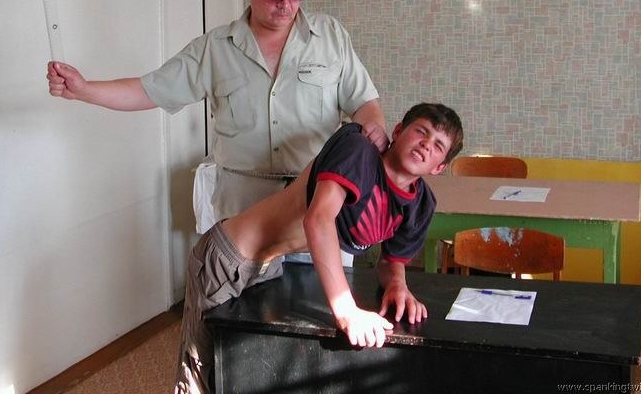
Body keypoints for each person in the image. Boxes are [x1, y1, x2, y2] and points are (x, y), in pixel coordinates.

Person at [47, 0, 388, 227]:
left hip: (318, 198)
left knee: (323, 285)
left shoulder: (329, 35)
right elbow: (148, 90)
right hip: (244, 204)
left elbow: (363, 102)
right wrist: (85, 90)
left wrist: (373, 127)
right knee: (246, 286)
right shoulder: (215, 48)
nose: (286, 6)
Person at [176, 102, 464, 393]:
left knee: (240, 372)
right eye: (421, 132)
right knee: (203, 376)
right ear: (399, 131)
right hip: (228, 256)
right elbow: (318, 219)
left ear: (439, 167)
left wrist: (397, 285)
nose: (426, 144)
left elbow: (392, 261)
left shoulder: (419, 204)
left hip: (269, 267)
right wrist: (347, 311)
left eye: (438, 145)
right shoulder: (358, 150)